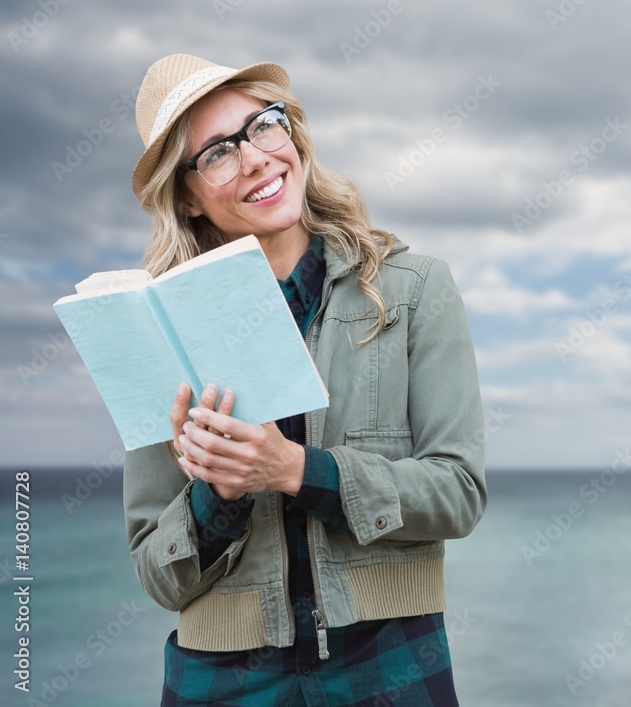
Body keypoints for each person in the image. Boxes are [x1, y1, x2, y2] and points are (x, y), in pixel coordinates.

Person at [122, 53, 487, 706]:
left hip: (391, 662)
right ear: (186, 194)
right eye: (217, 153)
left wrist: (296, 468)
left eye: (262, 125)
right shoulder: (158, 330)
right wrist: (220, 496)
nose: (257, 157)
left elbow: (457, 492)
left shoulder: (413, 288)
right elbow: (158, 572)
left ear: (290, 132)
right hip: (219, 680)